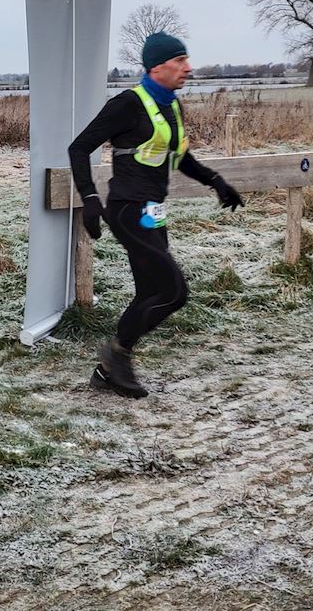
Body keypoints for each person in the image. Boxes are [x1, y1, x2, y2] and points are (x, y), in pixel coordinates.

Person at [67, 32, 244, 398]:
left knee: (150, 291)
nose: (188, 68)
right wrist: (89, 197)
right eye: (180, 61)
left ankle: (107, 373)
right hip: (127, 211)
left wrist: (216, 181)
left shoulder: (172, 107)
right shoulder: (128, 104)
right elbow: (79, 147)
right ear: (157, 67)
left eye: (186, 60)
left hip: (152, 213)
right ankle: (116, 354)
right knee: (173, 291)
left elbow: (179, 158)